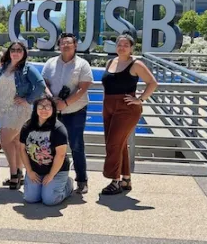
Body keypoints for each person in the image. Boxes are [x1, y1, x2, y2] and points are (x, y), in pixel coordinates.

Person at [100, 32, 158, 195]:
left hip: (126, 108)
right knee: (119, 144)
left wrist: (140, 99)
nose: (122, 47)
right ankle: (125, 179)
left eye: (126, 45)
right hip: (109, 106)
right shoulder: (110, 62)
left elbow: (152, 83)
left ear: (132, 48)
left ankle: (115, 180)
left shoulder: (136, 64)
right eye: (119, 44)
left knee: (114, 143)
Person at [0, 41, 46, 190]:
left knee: (4, 141)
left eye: (19, 50)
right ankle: (20, 174)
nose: (16, 52)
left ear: (24, 53)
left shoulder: (28, 69)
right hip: (3, 109)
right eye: (13, 50)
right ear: (9, 52)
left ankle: (13, 174)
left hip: (19, 110)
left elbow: (40, 85)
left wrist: (28, 99)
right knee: (16, 143)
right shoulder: (0, 68)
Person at [42, 33, 93, 194]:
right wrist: (51, 99)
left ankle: (82, 180)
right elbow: (44, 83)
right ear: (59, 45)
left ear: (75, 45)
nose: (66, 46)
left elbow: (83, 87)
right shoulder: (50, 63)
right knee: (50, 145)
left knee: (76, 145)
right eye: (63, 43)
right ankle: (53, 177)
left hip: (75, 111)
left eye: (69, 43)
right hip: (53, 111)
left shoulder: (82, 64)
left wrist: (65, 103)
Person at [19, 95, 74, 206]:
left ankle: (68, 184)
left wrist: (51, 175)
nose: (44, 109)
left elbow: (61, 154)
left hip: (56, 170)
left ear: (53, 109)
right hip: (36, 169)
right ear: (35, 109)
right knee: (30, 198)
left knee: (50, 200)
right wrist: (29, 171)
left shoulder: (58, 128)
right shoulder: (27, 126)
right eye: (41, 106)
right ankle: (43, 187)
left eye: (48, 107)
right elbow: (22, 149)